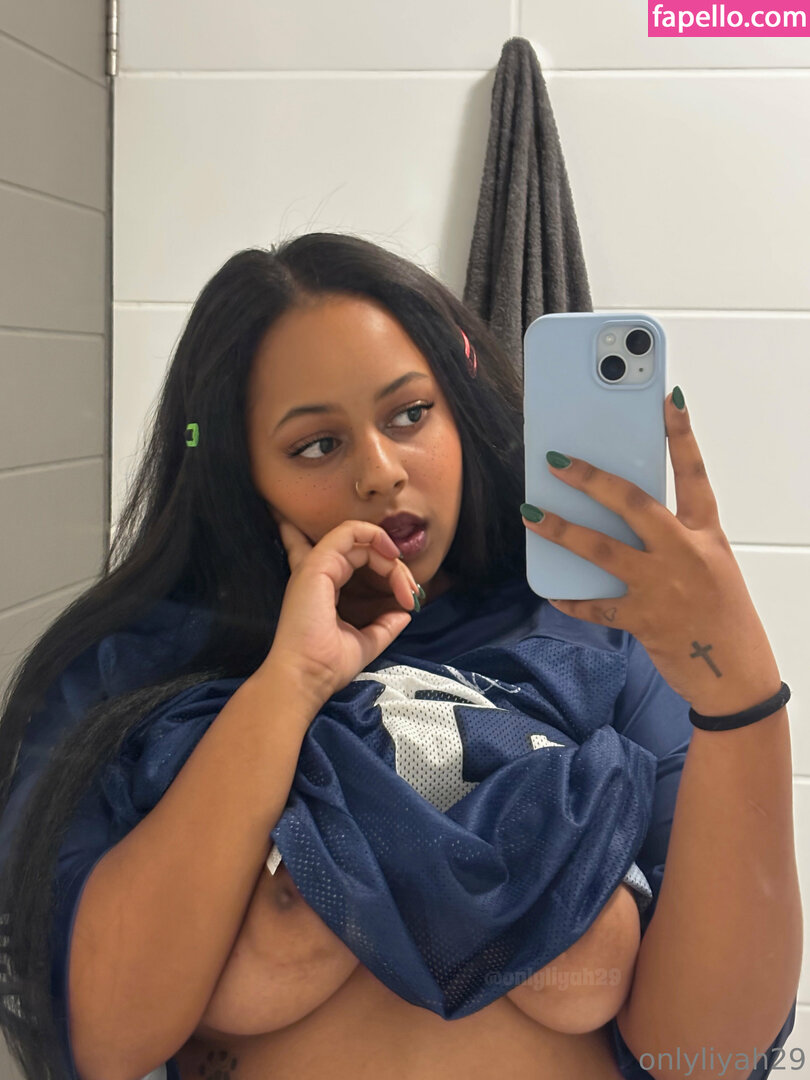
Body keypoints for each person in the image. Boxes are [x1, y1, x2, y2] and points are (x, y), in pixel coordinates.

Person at [0, 233, 799, 1080]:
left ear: (459, 406)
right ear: (238, 471)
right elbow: (103, 1037)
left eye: (410, 414)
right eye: (317, 445)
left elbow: (708, 1060)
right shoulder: (129, 668)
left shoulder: (603, 634)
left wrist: (741, 687)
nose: (380, 473)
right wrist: (292, 682)